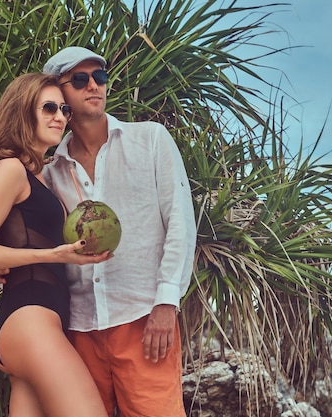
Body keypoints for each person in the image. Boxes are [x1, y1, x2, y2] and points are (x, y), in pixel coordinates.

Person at [42, 47, 197, 416]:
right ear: (60, 94)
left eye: (100, 77)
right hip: (78, 327)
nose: (93, 85)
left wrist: (166, 302)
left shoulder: (151, 140)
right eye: (79, 80)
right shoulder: (51, 173)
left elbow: (180, 220)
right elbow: (33, 238)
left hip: (143, 320)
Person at [0, 72, 111, 417]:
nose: (60, 117)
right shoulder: (10, 170)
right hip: (29, 322)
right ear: (22, 112)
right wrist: (53, 255)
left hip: (37, 324)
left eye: (63, 110)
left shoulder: (41, 177)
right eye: (48, 108)